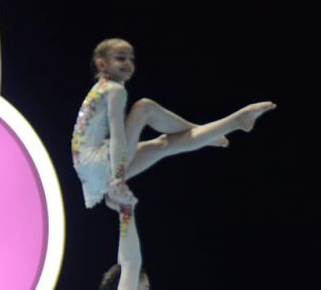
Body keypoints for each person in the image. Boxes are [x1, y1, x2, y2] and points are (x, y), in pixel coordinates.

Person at [71, 37, 275, 209]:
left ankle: (235, 122)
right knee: (144, 108)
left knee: (164, 144)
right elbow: (117, 135)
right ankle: (206, 130)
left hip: (89, 171)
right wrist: (117, 179)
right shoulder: (114, 91)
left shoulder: (104, 88)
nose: (128, 63)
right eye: (120, 58)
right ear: (102, 64)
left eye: (131, 59)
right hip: (98, 163)